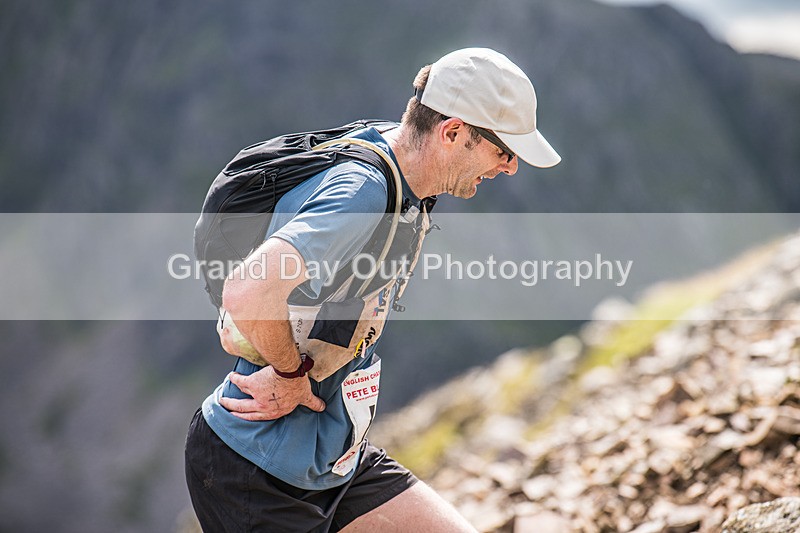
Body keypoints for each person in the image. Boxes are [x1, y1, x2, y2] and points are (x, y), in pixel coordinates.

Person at [185, 47, 561, 532]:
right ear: (452, 132)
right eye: (504, 151)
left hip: (336, 457)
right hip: (255, 471)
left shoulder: (403, 161)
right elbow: (248, 292)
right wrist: (290, 373)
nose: (510, 167)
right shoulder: (362, 193)